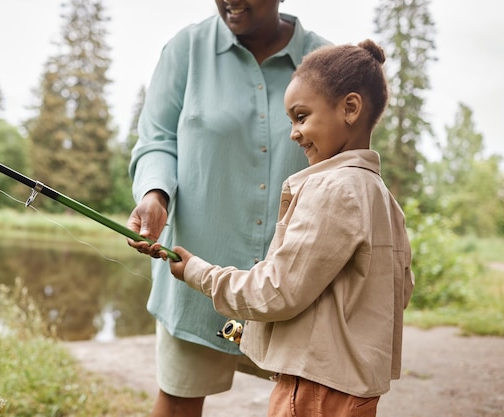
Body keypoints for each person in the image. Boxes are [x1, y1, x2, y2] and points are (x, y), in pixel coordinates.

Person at [161, 39, 415, 417]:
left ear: (350, 108)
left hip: (313, 391)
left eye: (301, 116)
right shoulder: (383, 199)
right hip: (357, 392)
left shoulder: (332, 189)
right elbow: (399, 292)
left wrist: (199, 273)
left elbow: (276, 291)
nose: (294, 133)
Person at [126, 1, 331, 415]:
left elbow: (346, 166)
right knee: (178, 401)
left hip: (293, 287)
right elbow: (157, 140)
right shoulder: (185, 49)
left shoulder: (328, 64)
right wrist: (155, 194)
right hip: (194, 277)